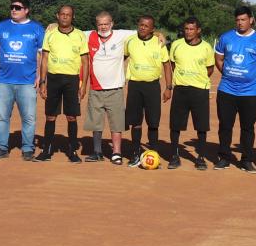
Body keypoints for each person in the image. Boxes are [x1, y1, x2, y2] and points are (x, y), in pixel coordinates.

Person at [212, 5, 256, 171]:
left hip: (250, 92)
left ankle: (246, 160)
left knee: (247, 127)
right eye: (238, 20)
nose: (240, 23)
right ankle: (224, 157)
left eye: (244, 19)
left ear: (251, 20)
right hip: (226, 90)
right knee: (225, 125)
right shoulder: (226, 38)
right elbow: (218, 58)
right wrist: (227, 73)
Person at [0, 0, 45, 160]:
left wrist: (40, 76)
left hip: (27, 81)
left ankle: (27, 148)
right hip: (4, 81)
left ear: (26, 10)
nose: (13, 10)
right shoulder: (1, 27)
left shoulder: (37, 29)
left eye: (18, 8)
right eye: (12, 7)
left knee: (29, 117)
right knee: (2, 116)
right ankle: (1, 147)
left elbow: (42, 55)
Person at [38, 4, 89, 162]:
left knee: (71, 116)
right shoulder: (50, 34)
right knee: (50, 116)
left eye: (68, 14)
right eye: (62, 14)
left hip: (72, 80)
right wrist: (42, 82)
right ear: (57, 15)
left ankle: (72, 151)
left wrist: (84, 85)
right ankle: (46, 150)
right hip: (53, 79)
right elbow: (44, 59)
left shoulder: (80, 35)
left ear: (73, 17)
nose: (65, 17)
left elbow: (85, 62)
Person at [165, 17, 215, 169]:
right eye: (186, 29)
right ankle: (174, 155)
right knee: (175, 125)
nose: (188, 32)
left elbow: (210, 69)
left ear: (198, 30)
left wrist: (197, 78)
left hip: (200, 90)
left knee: (201, 126)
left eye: (191, 29)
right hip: (181, 89)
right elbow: (172, 64)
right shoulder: (176, 44)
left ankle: (200, 158)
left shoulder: (206, 47)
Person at [83, 11, 131, 163]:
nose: (103, 27)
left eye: (106, 24)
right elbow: (70, 31)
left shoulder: (121, 35)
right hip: (95, 88)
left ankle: (116, 152)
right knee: (96, 122)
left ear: (112, 24)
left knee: (116, 122)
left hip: (115, 89)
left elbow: (144, 31)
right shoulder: (88, 35)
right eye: (100, 24)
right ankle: (97, 151)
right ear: (96, 25)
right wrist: (52, 25)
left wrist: (158, 34)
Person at [122, 15, 166, 166]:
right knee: (136, 122)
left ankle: (153, 152)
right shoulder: (130, 41)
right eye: (141, 24)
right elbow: (122, 57)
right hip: (135, 86)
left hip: (153, 86)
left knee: (153, 122)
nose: (142, 27)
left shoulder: (159, 42)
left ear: (153, 29)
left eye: (146, 26)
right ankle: (135, 153)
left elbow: (166, 64)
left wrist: (169, 87)